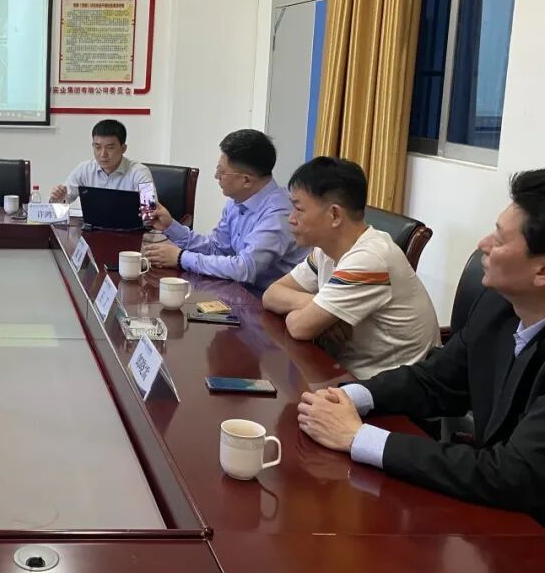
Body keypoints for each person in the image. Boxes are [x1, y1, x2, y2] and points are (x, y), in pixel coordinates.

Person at [297, 169, 545, 523]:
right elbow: (436, 379)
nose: (483, 244)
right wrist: (348, 397)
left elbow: (511, 473)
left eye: (500, 239)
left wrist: (357, 437)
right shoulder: (498, 307)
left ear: (541, 272)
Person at [263, 157, 440, 379]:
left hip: (389, 386)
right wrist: (313, 303)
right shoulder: (327, 250)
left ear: (335, 215)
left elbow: (299, 327)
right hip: (344, 373)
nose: (291, 218)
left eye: (299, 209)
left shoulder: (369, 260)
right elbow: (271, 294)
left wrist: (314, 312)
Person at [142, 129, 305, 290]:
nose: (216, 177)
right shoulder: (236, 201)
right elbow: (217, 248)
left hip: (267, 299)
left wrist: (180, 258)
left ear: (246, 180)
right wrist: (171, 226)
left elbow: (245, 268)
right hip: (239, 289)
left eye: (221, 172)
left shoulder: (279, 213)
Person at [48, 119, 154, 204]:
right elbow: (62, 204)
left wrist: (147, 213)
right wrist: (58, 200)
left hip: (129, 225)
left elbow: (150, 211)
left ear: (123, 148)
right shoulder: (84, 169)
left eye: (110, 148)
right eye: (97, 147)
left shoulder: (140, 172)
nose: (103, 154)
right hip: (92, 225)